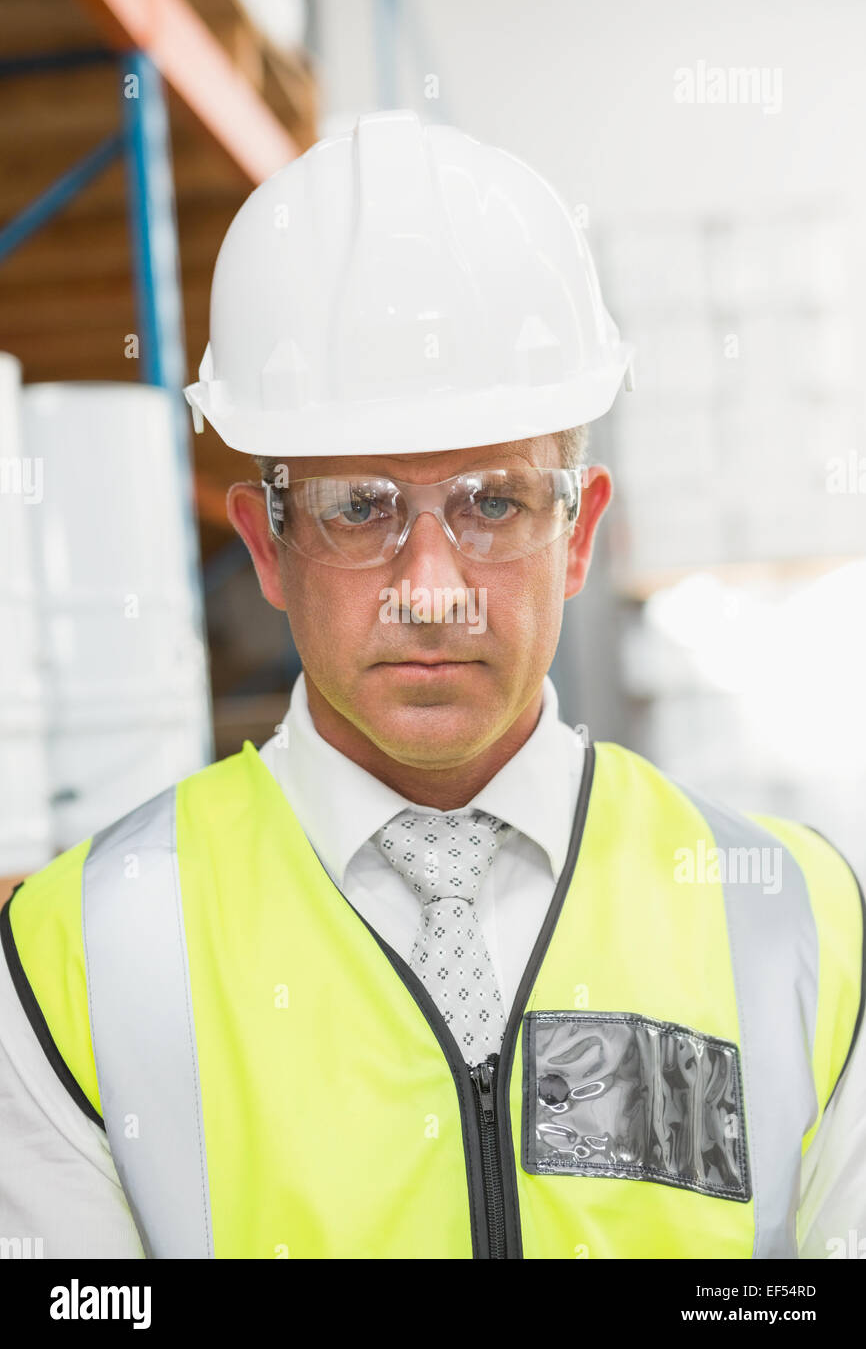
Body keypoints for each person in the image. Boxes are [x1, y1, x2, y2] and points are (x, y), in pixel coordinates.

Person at [0, 109, 862, 1261]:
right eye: (358, 508)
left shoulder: (793, 925)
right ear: (264, 543)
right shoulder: (80, 958)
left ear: (576, 530)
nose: (431, 589)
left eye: (491, 501)